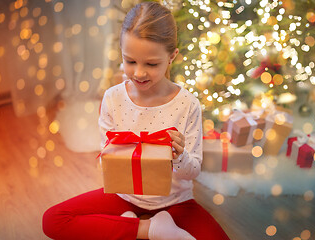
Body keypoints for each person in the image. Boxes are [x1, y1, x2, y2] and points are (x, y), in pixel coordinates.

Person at [43, 2, 230, 240]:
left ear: (172, 57)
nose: (139, 73)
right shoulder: (113, 98)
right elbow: (105, 163)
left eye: (151, 64)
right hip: (124, 197)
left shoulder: (187, 104)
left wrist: (179, 156)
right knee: (53, 220)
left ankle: (127, 227)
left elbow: (192, 171)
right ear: (120, 51)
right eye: (130, 61)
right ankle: (148, 229)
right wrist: (117, 156)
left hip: (175, 202)